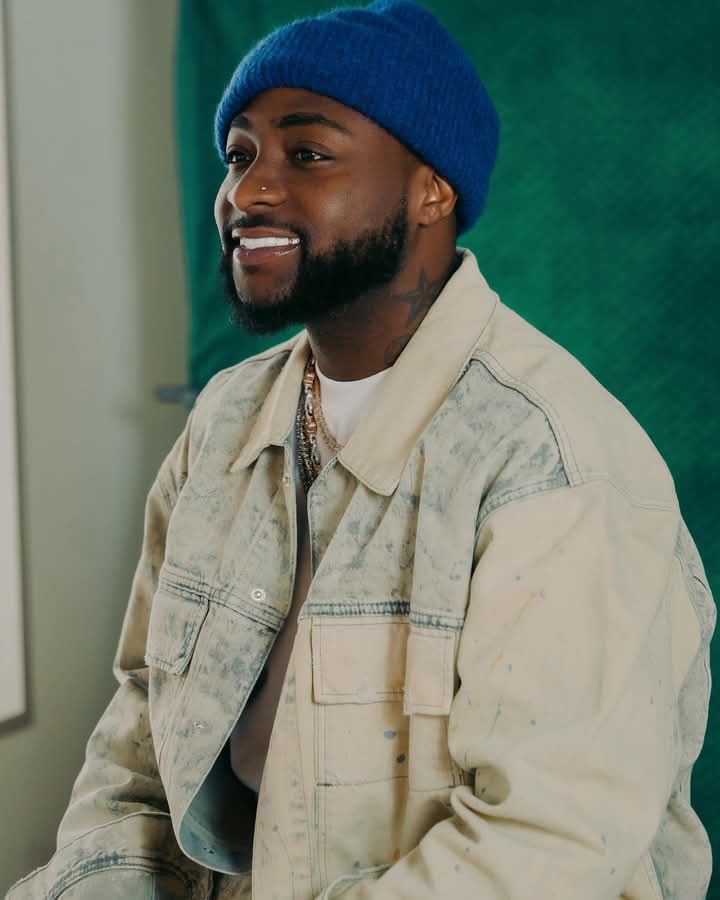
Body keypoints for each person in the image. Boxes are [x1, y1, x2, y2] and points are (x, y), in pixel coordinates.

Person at [7, 1, 715, 898]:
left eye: (307, 154)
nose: (248, 193)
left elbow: (543, 848)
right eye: (239, 155)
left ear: (432, 191)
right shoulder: (224, 422)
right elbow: (139, 743)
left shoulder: (555, 465)